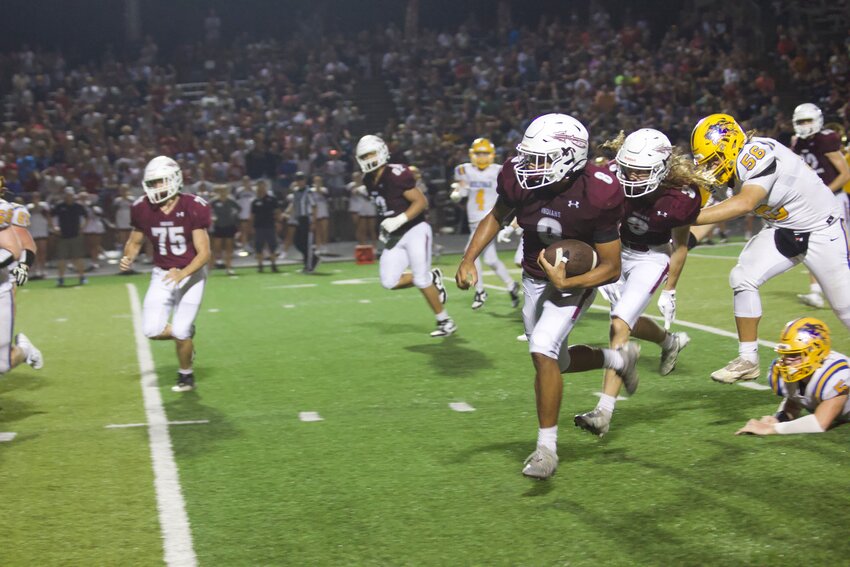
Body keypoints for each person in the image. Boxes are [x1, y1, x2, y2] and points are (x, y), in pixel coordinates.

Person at [455, 113, 625, 479]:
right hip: (534, 274)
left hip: (576, 278)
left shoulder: (598, 190)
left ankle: (546, 449)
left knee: (542, 348)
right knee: (556, 361)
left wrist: (571, 284)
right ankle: (617, 359)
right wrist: (469, 258)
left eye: (540, 159)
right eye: (529, 157)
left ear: (570, 158)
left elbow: (612, 266)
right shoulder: (520, 178)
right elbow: (496, 216)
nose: (529, 166)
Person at [690, 113, 850, 383]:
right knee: (742, 277)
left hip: (821, 229)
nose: (711, 168)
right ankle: (748, 359)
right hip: (784, 230)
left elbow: (744, 204)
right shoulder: (729, 172)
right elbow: (708, 217)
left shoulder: (757, 152)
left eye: (714, 160)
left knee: (844, 308)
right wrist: (675, 243)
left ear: (730, 145)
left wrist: (683, 216)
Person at [573, 128, 710, 436]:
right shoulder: (610, 173)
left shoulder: (680, 198)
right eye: (628, 169)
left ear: (661, 170)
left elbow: (682, 243)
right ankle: (669, 341)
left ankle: (604, 412)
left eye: (641, 172)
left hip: (651, 256)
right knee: (626, 320)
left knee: (619, 323)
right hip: (615, 249)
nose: (632, 177)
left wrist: (670, 288)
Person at [119, 156, 211, 393]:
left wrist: (183, 274)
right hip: (162, 273)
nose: (155, 188)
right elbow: (135, 240)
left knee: (180, 330)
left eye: (160, 182)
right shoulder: (141, 208)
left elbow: (204, 254)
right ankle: (186, 336)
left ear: (173, 179)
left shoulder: (193, 206)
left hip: (191, 273)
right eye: (152, 183)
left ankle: (186, 375)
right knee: (152, 330)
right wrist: (128, 256)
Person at [356, 134, 456, 337]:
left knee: (420, 279)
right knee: (389, 281)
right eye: (364, 156)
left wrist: (399, 219)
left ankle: (445, 321)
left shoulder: (396, 173)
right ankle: (433, 277)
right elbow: (386, 207)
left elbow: (421, 202)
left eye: (371, 154)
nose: (368, 159)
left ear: (382, 152)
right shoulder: (368, 179)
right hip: (395, 235)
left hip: (415, 229)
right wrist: (386, 227)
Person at [736, 317, 849, 436]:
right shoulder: (790, 373)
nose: (787, 361)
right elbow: (796, 400)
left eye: (795, 354)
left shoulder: (834, 374)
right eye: (785, 355)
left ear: (816, 352)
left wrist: (771, 429)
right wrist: (779, 418)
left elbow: (820, 423)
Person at [790, 104, 850, 308]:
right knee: (811, 244)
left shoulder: (826, 139)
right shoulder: (798, 143)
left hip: (834, 198)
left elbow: (845, 174)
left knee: (843, 247)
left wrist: (825, 191)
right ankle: (815, 292)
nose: (805, 125)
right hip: (814, 201)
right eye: (801, 122)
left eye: (808, 121)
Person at [450, 137, 520, 310]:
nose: (481, 157)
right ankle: (511, 285)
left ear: (492, 154)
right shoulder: (463, 170)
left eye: (485, 153)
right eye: (478, 153)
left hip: (489, 221)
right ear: (472, 154)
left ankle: (480, 290)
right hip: (473, 219)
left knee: (470, 254)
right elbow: (463, 189)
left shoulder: (499, 170)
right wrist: (458, 191)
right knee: (490, 258)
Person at [0, 200, 43, 374]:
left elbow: (25, 246)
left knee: (2, 364)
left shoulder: (7, 209)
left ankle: (23, 351)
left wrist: (23, 267)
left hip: (3, 282)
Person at [51, 187, 88, 286]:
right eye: (67, 195)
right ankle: (61, 278)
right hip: (63, 236)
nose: (69, 197)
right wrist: (54, 228)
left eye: (70, 195)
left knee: (78, 258)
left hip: (75, 235)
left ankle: (82, 277)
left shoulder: (78, 206)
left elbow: (86, 217)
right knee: (62, 259)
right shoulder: (59, 206)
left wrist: (82, 228)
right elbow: (50, 216)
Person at [288, 171, 320, 273]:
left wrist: (313, 222)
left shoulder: (308, 191)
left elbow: (314, 206)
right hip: (298, 219)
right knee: (298, 242)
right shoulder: (296, 192)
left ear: (305, 180)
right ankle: (312, 258)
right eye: (298, 180)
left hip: (307, 218)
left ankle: (309, 265)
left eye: (301, 180)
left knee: (307, 243)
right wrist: (288, 214)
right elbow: (294, 205)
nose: (299, 182)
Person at [209, 185, 241, 276]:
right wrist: (212, 217)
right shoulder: (214, 201)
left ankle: (229, 267)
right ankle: (210, 268)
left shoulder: (231, 201)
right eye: (221, 191)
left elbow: (238, 209)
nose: (223, 193)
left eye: (225, 191)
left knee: (229, 248)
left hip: (229, 226)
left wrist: (233, 216)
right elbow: (207, 210)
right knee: (215, 248)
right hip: (218, 226)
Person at [251, 180, 281, 272]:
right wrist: (252, 226)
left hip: (270, 225)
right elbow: (252, 215)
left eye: (263, 186)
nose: (261, 188)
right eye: (259, 186)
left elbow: (277, 212)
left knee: (272, 245)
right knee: (259, 246)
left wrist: (278, 222)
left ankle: (273, 264)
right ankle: (260, 265)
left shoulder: (272, 199)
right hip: (259, 226)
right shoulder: (255, 201)